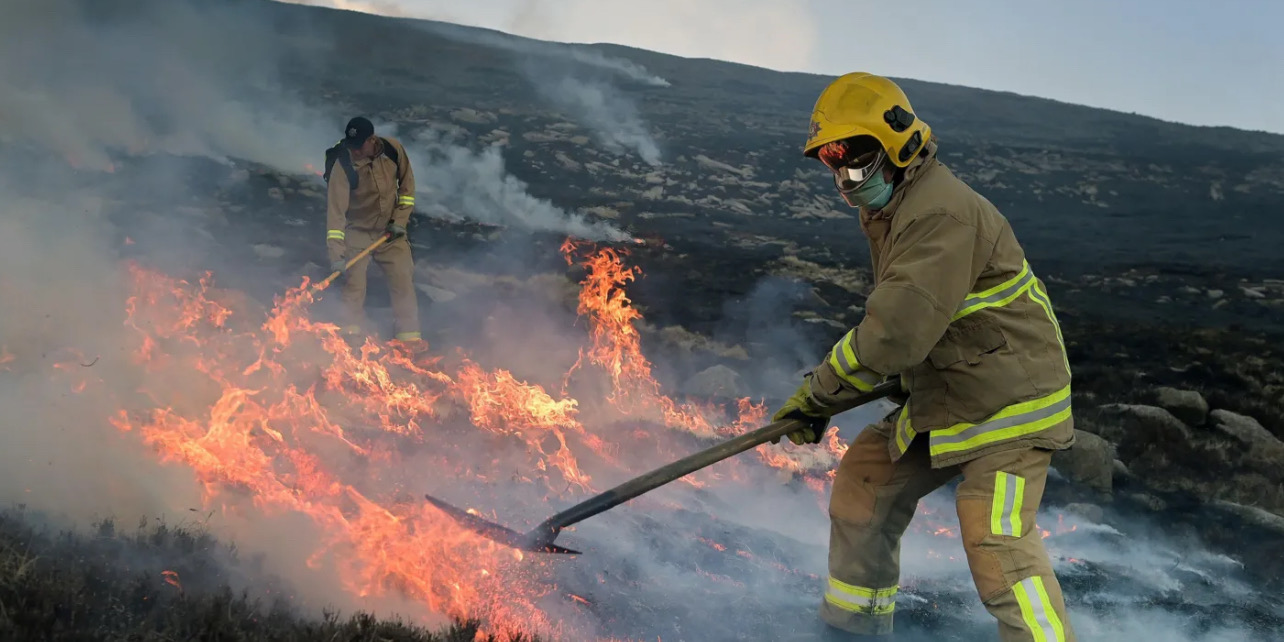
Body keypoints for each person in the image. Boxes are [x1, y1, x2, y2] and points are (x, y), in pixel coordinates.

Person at [771, 73, 1078, 641]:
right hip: (952, 392)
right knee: (865, 483)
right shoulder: (897, 208)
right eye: (833, 164)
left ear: (899, 146)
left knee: (997, 542)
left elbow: (894, 335)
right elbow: (923, 329)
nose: (845, 179)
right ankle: (853, 631)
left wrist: (818, 394)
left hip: (1010, 405)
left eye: (855, 160)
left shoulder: (941, 214)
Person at [323, 116, 422, 346]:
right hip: (358, 231)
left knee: (403, 279)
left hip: (390, 231)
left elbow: (407, 188)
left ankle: (408, 340)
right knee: (354, 284)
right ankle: (349, 340)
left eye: (360, 147)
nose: (355, 151)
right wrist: (336, 256)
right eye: (352, 147)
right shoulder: (342, 166)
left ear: (372, 140)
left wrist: (399, 221)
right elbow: (336, 214)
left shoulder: (393, 150)